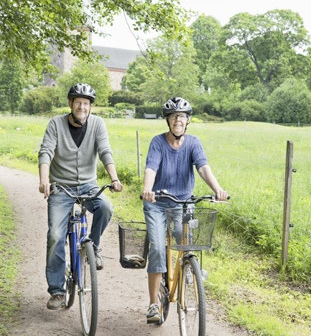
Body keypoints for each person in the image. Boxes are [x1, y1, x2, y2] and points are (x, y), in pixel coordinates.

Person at [141, 97, 229, 323]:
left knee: (187, 239)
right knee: (159, 249)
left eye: (181, 117)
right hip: (158, 203)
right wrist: (148, 189)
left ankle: (190, 269)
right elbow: (151, 167)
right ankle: (153, 304)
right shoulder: (158, 143)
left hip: (182, 202)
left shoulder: (193, 143)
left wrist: (218, 190)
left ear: (187, 121)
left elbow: (202, 168)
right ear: (168, 121)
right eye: (173, 117)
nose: (177, 120)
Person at [38, 83, 123, 310]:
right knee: (56, 235)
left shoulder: (97, 124)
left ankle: (92, 247)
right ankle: (57, 290)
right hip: (61, 188)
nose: (82, 107)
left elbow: (105, 151)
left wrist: (114, 178)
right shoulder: (56, 124)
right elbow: (46, 151)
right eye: (78, 103)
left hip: (88, 186)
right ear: (71, 104)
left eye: (86, 104)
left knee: (105, 207)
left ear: (91, 107)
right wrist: (44, 180)